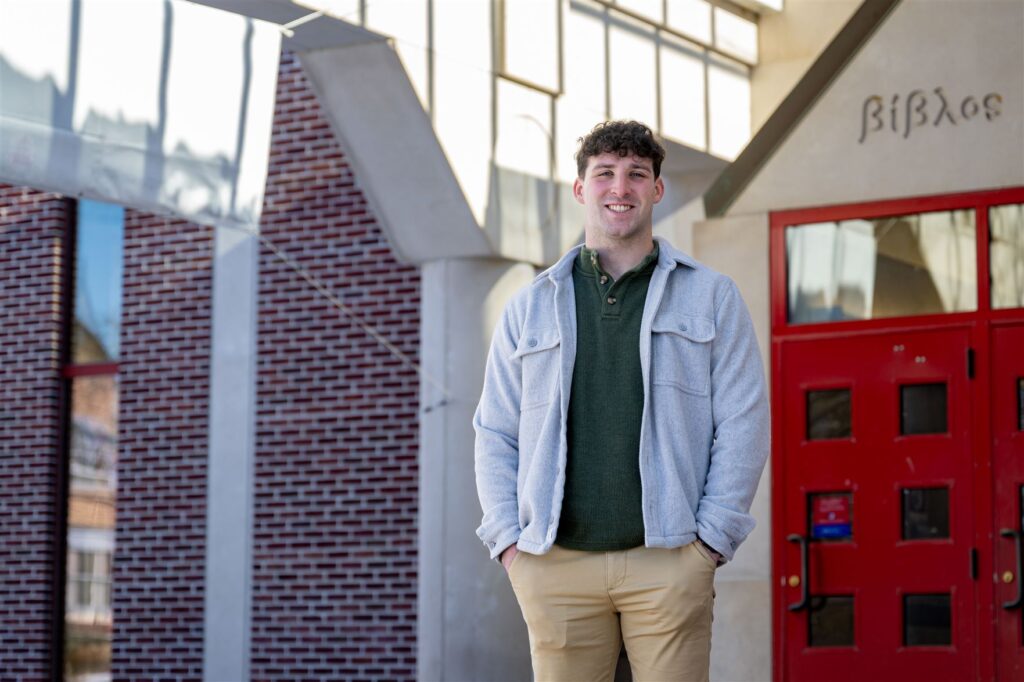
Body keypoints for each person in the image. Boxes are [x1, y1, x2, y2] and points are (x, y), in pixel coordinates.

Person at [473, 120, 769, 682]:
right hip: (553, 565)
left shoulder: (711, 295)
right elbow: (495, 432)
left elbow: (744, 421)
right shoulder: (529, 306)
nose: (620, 188)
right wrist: (510, 544)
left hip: (671, 560)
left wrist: (710, 543)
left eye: (637, 174)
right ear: (581, 189)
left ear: (658, 189)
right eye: (604, 173)